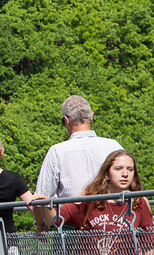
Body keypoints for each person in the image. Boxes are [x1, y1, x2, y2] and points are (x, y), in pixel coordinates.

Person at [31, 95, 123, 226]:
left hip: (72, 225)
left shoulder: (57, 151)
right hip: (113, 222)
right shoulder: (114, 146)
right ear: (91, 116)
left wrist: (40, 225)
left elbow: (40, 196)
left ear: (66, 120)